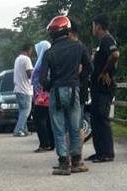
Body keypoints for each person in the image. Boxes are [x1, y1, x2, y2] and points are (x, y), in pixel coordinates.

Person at [38, 15, 91, 175]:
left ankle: (63, 163)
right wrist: (79, 80)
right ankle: (76, 161)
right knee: (75, 127)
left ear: (52, 34)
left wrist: (50, 87)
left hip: (57, 91)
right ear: (67, 30)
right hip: (74, 89)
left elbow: (42, 78)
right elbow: (89, 68)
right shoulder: (79, 47)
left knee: (59, 128)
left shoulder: (49, 52)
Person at [87, 14, 119, 163]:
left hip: (104, 87)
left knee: (102, 118)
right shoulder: (102, 42)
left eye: (93, 25)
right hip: (97, 88)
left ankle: (107, 152)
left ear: (98, 26)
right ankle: (99, 151)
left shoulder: (107, 39)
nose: (92, 28)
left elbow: (115, 55)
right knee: (95, 119)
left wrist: (105, 71)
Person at [31, 39, 54, 152]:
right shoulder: (47, 60)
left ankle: (45, 143)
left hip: (43, 95)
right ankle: (50, 142)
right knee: (48, 119)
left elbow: (41, 79)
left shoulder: (43, 63)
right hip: (44, 94)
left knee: (39, 119)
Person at [13, 44, 35, 137]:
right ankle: (18, 130)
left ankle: (24, 130)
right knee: (26, 111)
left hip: (18, 88)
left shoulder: (18, 59)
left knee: (22, 111)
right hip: (25, 89)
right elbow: (29, 74)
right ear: (28, 50)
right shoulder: (26, 59)